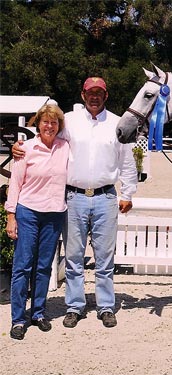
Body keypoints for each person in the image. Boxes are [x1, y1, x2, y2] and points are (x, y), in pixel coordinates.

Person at [12, 77, 137, 329]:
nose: (94, 97)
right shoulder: (69, 121)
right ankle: (75, 306)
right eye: (90, 92)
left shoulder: (117, 123)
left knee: (104, 258)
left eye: (99, 93)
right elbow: (45, 137)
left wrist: (128, 193)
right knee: (73, 257)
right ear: (83, 94)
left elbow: (126, 161)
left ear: (106, 95)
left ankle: (105, 306)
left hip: (106, 197)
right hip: (74, 197)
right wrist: (20, 147)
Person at [5, 104, 69, 340]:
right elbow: (15, 183)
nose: (49, 126)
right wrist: (11, 216)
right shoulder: (26, 149)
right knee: (22, 266)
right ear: (38, 124)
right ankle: (19, 319)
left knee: (43, 267)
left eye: (54, 123)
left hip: (54, 214)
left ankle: (38, 312)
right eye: (45, 122)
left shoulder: (65, 148)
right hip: (28, 212)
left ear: (59, 126)